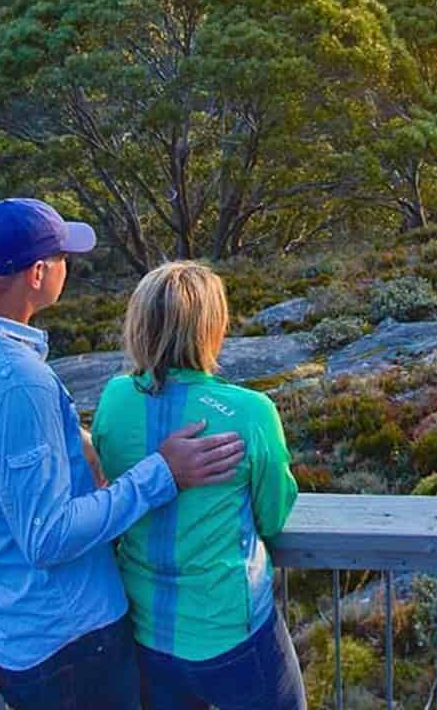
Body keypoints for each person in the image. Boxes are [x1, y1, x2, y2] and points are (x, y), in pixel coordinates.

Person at [0, 199, 245, 710]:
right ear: (38, 273)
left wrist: (69, 439)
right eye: (63, 257)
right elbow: (49, 536)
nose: (68, 267)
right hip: (64, 641)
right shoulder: (17, 382)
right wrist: (163, 472)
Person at [92, 261, 306, 710]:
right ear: (212, 326)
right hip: (232, 630)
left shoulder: (114, 399)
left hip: (145, 629)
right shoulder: (250, 412)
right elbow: (273, 512)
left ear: (141, 323)